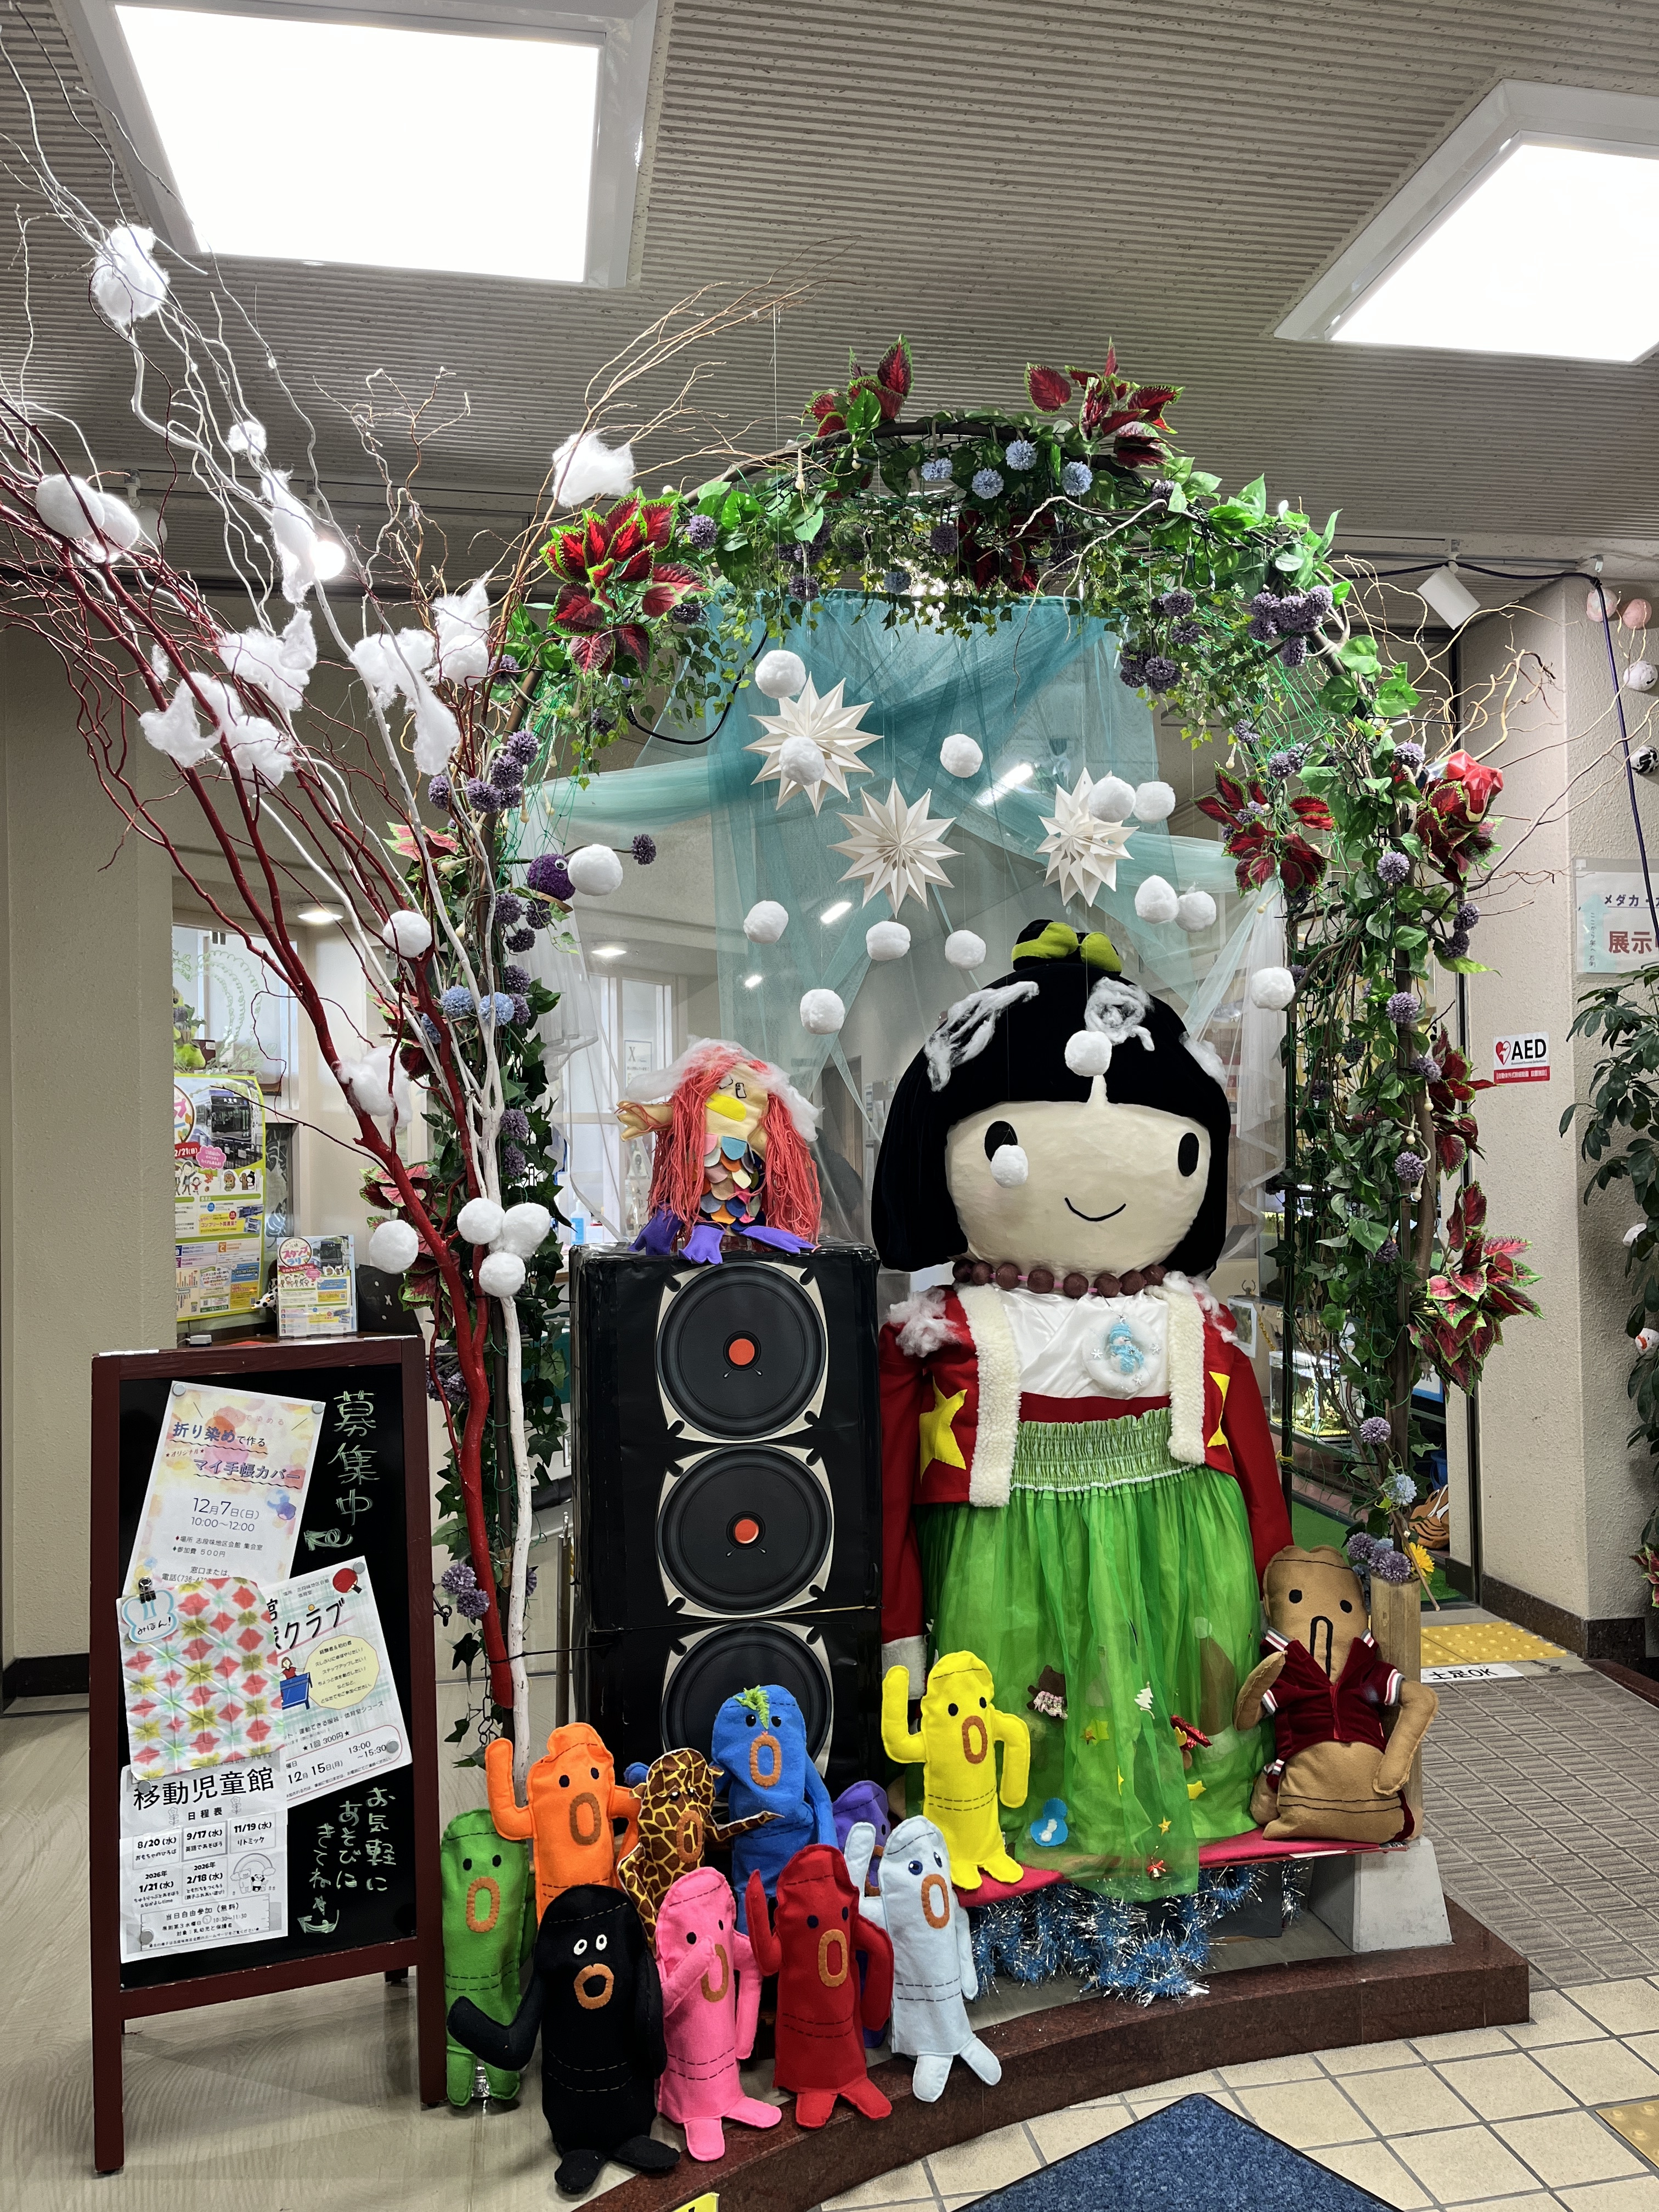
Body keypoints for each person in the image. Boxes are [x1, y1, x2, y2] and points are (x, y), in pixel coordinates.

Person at [872, 919, 1291, 1900]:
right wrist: (897, 1634)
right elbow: (888, 1487)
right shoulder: (942, 1335)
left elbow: (1259, 1474)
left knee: (1176, 1697)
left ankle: (1187, 1796)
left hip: (1179, 1566)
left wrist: (1280, 1600)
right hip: (1009, 1570)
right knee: (1021, 1709)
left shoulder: (1197, 1325)